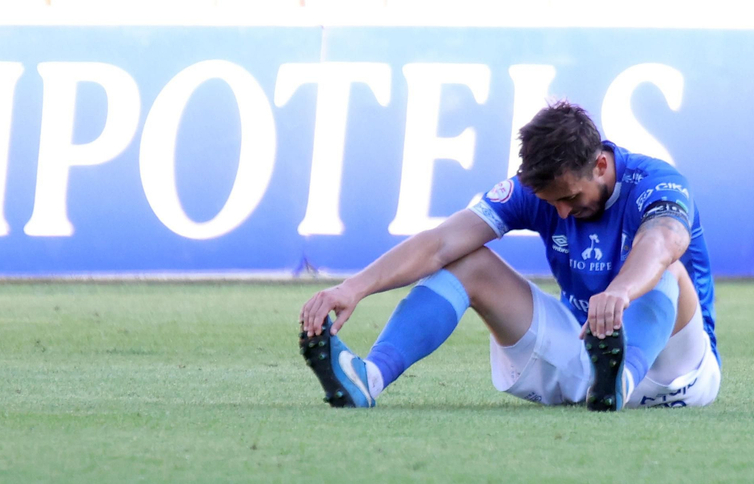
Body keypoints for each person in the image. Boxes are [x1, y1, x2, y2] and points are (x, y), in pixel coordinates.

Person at [298, 101, 719, 412]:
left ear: (602, 165)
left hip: (677, 374)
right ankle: (368, 378)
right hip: (584, 358)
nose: (562, 213)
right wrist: (352, 287)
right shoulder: (534, 192)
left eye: (571, 197)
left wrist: (622, 292)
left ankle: (620, 379)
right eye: (552, 202)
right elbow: (439, 243)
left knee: (668, 269)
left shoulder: (657, 182)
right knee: (466, 261)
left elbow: (664, 240)